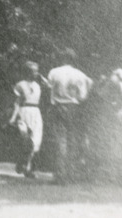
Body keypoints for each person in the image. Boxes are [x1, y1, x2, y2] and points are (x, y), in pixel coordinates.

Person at [47, 50, 93, 184]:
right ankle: (70, 174)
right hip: (74, 108)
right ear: (73, 60)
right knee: (72, 141)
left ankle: (60, 175)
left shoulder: (54, 72)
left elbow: (49, 89)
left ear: (63, 59)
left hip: (58, 107)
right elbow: (84, 95)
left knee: (60, 141)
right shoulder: (80, 75)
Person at [8, 61, 43, 178]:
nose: (36, 73)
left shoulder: (38, 85)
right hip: (24, 112)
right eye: (34, 71)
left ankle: (28, 168)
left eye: (37, 71)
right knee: (24, 140)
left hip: (35, 113)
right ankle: (21, 162)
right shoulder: (20, 85)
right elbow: (17, 102)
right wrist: (13, 117)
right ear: (28, 72)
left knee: (35, 140)